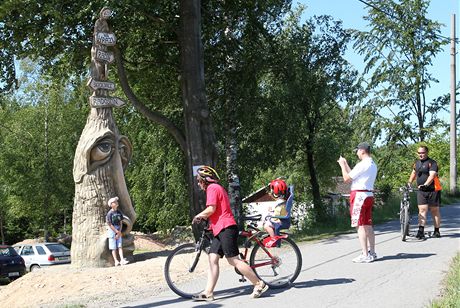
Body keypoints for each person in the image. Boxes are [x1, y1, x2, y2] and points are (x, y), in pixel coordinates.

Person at [192, 166, 269, 301]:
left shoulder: (212, 188)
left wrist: (199, 215)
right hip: (220, 228)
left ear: (205, 179)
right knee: (213, 258)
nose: (198, 183)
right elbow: (217, 211)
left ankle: (258, 283)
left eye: (199, 180)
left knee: (233, 260)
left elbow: (211, 209)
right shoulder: (217, 188)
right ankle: (208, 292)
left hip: (226, 228)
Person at [337, 142, 378, 263]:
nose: (356, 153)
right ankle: (372, 252)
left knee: (360, 225)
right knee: (367, 225)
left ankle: (365, 254)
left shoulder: (362, 164)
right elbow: (353, 175)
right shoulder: (372, 164)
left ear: (362, 151)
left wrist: (342, 165)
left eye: (357, 151)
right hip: (368, 194)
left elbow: (346, 178)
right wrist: (346, 164)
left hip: (359, 195)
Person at [407, 145, 442, 239]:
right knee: (422, 210)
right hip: (421, 191)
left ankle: (437, 231)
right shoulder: (417, 163)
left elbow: (432, 175)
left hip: (433, 190)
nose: (421, 154)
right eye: (419, 153)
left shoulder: (432, 163)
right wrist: (410, 182)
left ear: (427, 153)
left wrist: (425, 185)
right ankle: (421, 231)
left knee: (434, 211)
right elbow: (414, 173)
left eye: (422, 153)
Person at [106, 196, 129, 266]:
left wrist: (119, 231)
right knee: (113, 247)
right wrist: (116, 231)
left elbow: (121, 222)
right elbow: (109, 224)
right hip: (112, 231)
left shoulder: (119, 212)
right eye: (115, 202)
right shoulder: (109, 214)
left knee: (119, 246)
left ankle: (122, 259)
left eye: (116, 202)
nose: (116, 203)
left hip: (119, 229)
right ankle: (116, 261)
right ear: (111, 204)